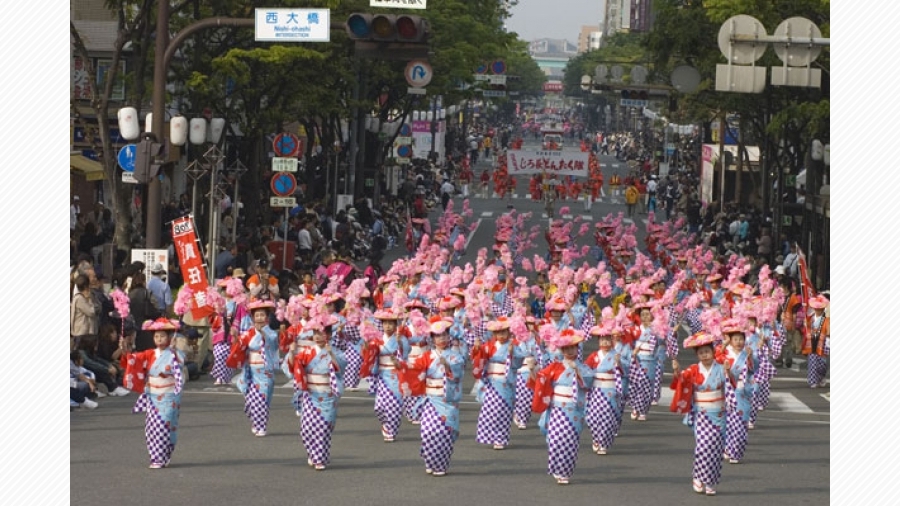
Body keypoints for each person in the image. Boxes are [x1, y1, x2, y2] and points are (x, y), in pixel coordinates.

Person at [530, 328, 593, 485]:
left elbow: (589, 382)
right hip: (557, 408)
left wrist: (577, 370)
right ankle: (557, 468)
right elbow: (541, 379)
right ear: (562, 349)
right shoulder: (555, 366)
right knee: (555, 440)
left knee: (570, 441)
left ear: (577, 349)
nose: (570, 350)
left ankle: (565, 472)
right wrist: (532, 370)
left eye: (573, 347)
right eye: (567, 348)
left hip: (573, 409)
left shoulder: (583, 367)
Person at [121, 318, 186, 469]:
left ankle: (164, 454)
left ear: (169, 338)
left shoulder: (174, 354)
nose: (159, 339)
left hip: (169, 394)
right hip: (153, 394)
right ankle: (156, 457)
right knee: (152, 427)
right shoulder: (150, 353)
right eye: (156, 336)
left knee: (165, 426)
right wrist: (126, 350)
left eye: (162, 336)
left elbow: (179, 365)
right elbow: (134, 360)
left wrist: (175, 352)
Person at [671, 331, 730, 496]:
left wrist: (729, 372)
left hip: (719, 413)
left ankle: (710, 481)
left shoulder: (720, 367)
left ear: (713, 351)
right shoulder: (693, 370)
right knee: (703, 446)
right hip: (702, 414)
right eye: (701, 352)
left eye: (707, 351)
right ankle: (698, 476)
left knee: (716, 449)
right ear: (697, 354)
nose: (705, 355)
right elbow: (682, 380)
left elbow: (732, 384)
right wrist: (676, 371)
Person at [406, 317, 465, 477]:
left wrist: (448, 366)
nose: (442, 339)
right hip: (431, 400)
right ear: (432, 338)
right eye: (438, 336)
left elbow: (458, 374)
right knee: (428, 432)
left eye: (445, 335)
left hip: (447, 399)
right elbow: (415, 370)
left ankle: (440, 465)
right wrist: (402, 366)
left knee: (445, 433)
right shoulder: (426, 356)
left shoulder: (455, 356)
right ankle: (430, 460)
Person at [286, 312, 346, 471]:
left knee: (324, 428)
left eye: (323, 333)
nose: (319, 337)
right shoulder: (306, 352)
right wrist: (292, 353)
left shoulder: (335, 352)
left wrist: (331, 353)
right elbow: (295, 368)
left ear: (328, 334)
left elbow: (341, 369)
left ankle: (319, 458)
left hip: (327, 395)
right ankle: (314, 453)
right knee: (307, 430)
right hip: (311, 395)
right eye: (316, 333)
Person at [226, 300, 280, 437]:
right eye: (257, 315)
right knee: (251, 401)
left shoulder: (272, 334)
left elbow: (273, 344)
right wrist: (235, 338)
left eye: (262, 315)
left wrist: (264, 334)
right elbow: (239, 348)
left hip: (265, 371)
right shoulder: (248, 333)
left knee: (262, 399)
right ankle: (256, 422)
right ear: (253, 318)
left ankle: (261, 426)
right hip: (251, 371)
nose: (260, 318)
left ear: (267, 318)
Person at [471, 317, 520, 450]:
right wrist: (476, 349)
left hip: (505, 381)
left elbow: (518, 362)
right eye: (499, 333)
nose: (502, 335)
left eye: (504, 332)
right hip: (492, 382)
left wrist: (512, 353)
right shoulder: (489, 346)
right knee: (490, 410)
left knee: (504, 411)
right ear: (494, 334)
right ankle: (489, 435)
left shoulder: (513, 345)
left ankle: (501, 438)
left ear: (509, 332)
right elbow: (480, 356)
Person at [360, 308, 408, 442]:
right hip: (382, 375)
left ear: (396, 325)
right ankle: (385, 423)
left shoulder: (401, 340)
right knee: (379, 407)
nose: (388, 326)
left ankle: (390, 429)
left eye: (391, 323)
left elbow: (405, 356)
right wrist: (366, 346)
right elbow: (369, 355)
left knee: (395, 406)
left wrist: (399, 346)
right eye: (385, 323)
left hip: (395, 374)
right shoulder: (377, 340)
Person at [716, 319, 755, 465]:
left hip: (742, 392)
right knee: (728, 423)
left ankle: (735, 450)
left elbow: (753, 370)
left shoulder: (746, 354)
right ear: (730, 341)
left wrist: (750, 357)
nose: (739, 342)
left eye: (741, 339)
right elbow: (715, 363)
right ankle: (730, 449)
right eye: (735, 339)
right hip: (727, 392)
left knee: (741, 424)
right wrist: (722, 348)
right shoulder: (725, 355)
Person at [585, 324, 622, 455]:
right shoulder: (594, 355)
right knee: (592, 418)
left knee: (607, 418)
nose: (605, 342)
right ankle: (596, 438)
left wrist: (619, 363)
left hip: (610, 390)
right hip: (596, 390)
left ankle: (603, 443)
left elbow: (623, 373)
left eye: (607, 339)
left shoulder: (616, 355)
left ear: (611, 341)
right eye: (602, 339)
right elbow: (586, 371)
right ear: (599, 341)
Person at [803, 295, 830, 388]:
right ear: (814, 308)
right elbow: (806, 329)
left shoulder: (826, 320)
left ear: (823, 309)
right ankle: (813, 381)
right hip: (812, 343)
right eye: (816, 309)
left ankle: (821, 377)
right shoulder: (810, 319)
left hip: (822, 344)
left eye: (820, 309)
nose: (818, 310)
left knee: (822, 364)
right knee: (812, 362)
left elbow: (829, 330)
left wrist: (828, 336)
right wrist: (805, 324)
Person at [71, 274, 99, 350]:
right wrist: (89, 299)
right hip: (81, 334)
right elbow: (91, 312)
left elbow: (98, 307)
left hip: (86, 333)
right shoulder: (79, 298)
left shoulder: (89, 296)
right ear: (86, 286)